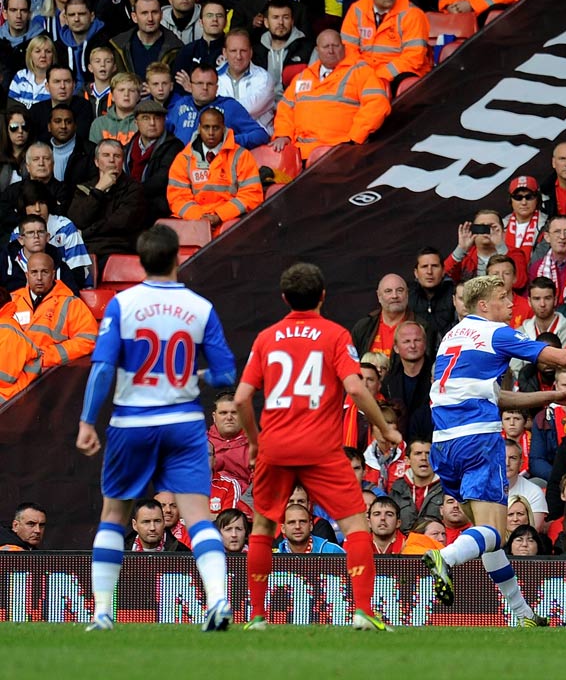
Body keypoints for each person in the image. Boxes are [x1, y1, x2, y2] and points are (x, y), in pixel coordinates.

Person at [76, 225, 237, 631]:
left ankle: (102, 612)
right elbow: (225, 373)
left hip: (132, 421)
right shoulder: (200, 307)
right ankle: (217, 601)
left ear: (141, 260)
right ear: (177, 259)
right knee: (198, 515)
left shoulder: (122, 303)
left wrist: (86, 420)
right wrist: (197, 368)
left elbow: (101, 368)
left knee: (114, 514)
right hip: (183, 422)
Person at [422, 273, 566, 627]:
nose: (511, 304)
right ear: (484, 305)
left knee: (488, 536)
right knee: (497, 532)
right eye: (503, 297)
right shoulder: (497, 333)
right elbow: (559, 359)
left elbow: (498, 396)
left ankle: (522, 614)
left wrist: (553, 396)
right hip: (478, 439)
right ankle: (445, 558)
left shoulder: (451, 338)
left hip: (443, 443)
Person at [234, 262, 402, 631]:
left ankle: (258, 617)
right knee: (356, 525)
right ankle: (362, 611)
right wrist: (384, 428)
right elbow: (357, 388)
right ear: (323, 296)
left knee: (262, 527)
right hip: (321, 449)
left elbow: (243, 398)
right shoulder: (335, 334)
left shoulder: (266, 338)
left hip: (275, 446)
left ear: (284, 298)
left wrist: (253, 441)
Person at [271, 29, 391, 159]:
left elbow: (377, 104)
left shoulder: (361, 72)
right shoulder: (302, 77)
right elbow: (285, 109)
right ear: (317, 51)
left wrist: (355, 137)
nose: (331, 51)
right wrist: (283, 135)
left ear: (343, 47)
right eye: (326, 47)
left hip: (341, 152)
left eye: (335, 46)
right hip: (301, 152)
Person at [166, 107, 263, 231]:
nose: (211, 132)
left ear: (223, 128)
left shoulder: (241, 156)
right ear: (199, 128)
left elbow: (252, 195)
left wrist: (220, 215)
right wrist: (199, 217)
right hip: (193, 222)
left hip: (231, 222)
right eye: (206, 127)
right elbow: (177, 197)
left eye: (216, 128)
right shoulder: (184, 159)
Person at [1, 251, 96, 367]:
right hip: (12, 370)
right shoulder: (12, 300)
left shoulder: (71, 303)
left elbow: (88, 340)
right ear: (27, 275)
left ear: (53, 274)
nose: (39, 278)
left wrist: (48, 355)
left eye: (44, 272)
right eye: (34, 272)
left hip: (51, 372)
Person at [67, 140, 147, 268]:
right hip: (84, 251)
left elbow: (119, 223)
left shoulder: (134, 189)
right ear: (96, 162)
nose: (111, 160)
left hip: (116, 252)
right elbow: (76, 220)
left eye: (117, 156)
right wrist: (98, 190)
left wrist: (86, 232)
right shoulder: (85, 187)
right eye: (106, 155)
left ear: (122, 161)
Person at [166, 63, 270, 149]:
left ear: (217, 87)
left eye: (210, 84)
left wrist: (230, 141)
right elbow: (163, 132)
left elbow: (261, 134)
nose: (205, 88)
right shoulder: (181, 104)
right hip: (180, 166)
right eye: (199, 83)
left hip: (218, 167)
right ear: (190, 85)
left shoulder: (229, 106)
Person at [124, 98, 183, 226]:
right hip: (130, 201)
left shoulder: (174, 146)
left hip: (157, 206)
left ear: (164, 121)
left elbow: (161, 179)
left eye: (157, 118)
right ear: (136, 122)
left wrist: (130, 193)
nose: (152, 123)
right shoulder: (128, 147)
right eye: (145, 118)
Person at [390, 438, 443, 533]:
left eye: (428, 453)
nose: (424, 458)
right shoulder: (397, 489)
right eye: (418, 453)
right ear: (407, 460)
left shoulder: (446, 487)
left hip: (437, 544)